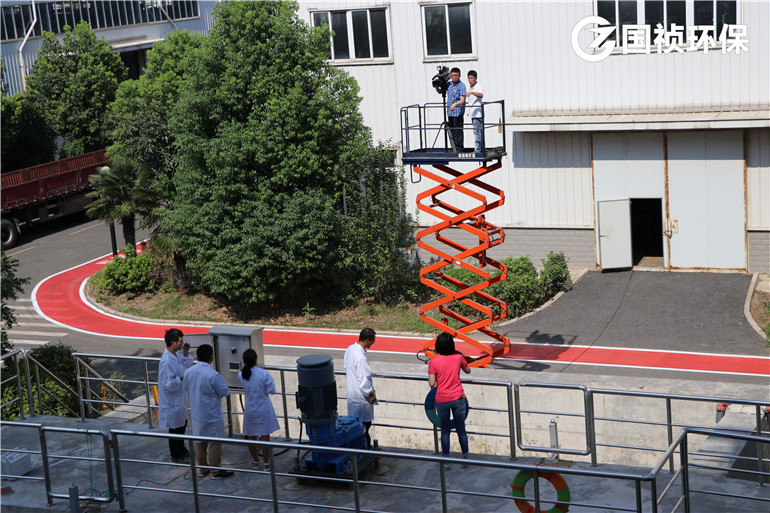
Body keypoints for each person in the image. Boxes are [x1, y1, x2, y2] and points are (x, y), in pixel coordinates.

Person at [183, 344, 233, 479]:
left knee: (200, 442)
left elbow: (186, 388)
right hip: (211, 414)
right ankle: (216, 471)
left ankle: (203, 469)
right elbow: (225, 391)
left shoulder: (189, 372)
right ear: (211, 357)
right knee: (215, 443)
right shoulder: (213, 374)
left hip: (196, 413)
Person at [428, 332, 471, 469]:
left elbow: (432, 383)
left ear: (437, 347)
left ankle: (446, 461)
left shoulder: (433, 362)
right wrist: (460, 356)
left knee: (445, 431)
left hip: (442, 400)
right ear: (452, 346)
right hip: (458, 398)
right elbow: (468, 370)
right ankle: (465, 458)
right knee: (461, 430)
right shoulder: (458, 358)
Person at [238, 348, 280, 471]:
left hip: (250, 408)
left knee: (251, 436)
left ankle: (255, 461)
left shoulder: (241, 374)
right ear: (256, 359)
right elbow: (272, 390)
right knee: (265, 436)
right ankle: (266, 463)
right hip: (263, 407)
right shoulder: (264, 373)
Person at [158, 328, 194, 463]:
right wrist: (182, 378)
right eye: (180, 341)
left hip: (179, 399)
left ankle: (182, 448)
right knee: (175, 429)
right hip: (172, 401)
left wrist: (185, 352)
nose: (182, 343)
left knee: (182, 424)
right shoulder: (167, 361)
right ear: (173, 343)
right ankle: (176, 454)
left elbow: (187, 362)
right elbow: (168, 384)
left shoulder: (176, 356)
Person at [344, 328, 377, 449]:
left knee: (355, 425)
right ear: (368, 340)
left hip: (352, 393)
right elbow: (364, 379)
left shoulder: (350, 349)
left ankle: (359, 449)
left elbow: (346, 366)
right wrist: (371, 394)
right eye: (373, 341)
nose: (373, 343)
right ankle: (364, 449)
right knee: (364, 427)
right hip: (361, 397)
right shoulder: (360, 357)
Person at [444, 67, 466, 152]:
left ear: (459, 76)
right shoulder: (449, 84)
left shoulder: (461, 86)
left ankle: (459, 148)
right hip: (450, 112)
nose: (455, 77)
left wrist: (455, 104)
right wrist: (437, 87)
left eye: (457, 75)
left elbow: (462, 100)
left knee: (458, 131)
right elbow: (441, 92)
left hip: (457, 112)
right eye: (453, 75)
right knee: (452, 131)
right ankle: (454, 148)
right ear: (450, 76)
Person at [465, 70, 484, 155]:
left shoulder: (477, 86)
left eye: (472, 78)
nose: (470, 80)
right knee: (478, 131)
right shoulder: (471, 87)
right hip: (473, 113)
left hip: (477, 113)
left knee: (477, 131)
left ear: (475, 78)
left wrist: (472, 92)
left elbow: (481, 95)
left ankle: (477, 150)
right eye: (469, 78)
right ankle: (480, 148)